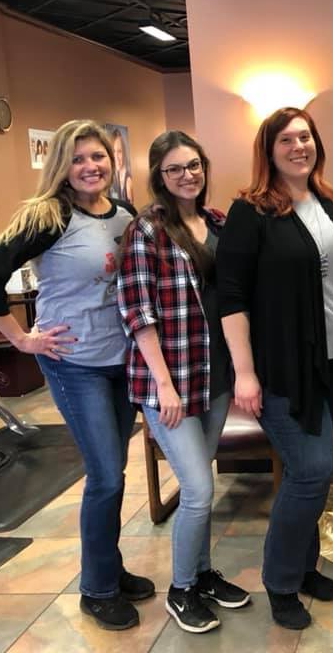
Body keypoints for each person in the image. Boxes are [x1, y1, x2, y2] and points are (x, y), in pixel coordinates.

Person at [0, 120, 154, 631]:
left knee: (113, 474)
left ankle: (108, 567)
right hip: (75, 364)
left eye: (98, 156)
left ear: (112, 160)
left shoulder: (124, 213)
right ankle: (96, 589)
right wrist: (22, 340)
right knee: (106, 475)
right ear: (61, 167)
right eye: (78, 158)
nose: (90, 166)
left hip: (121, 362)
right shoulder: (47, 215)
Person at [216, 107, 333, 630]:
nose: (299, 146)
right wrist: (244, 373)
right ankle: (280, 581)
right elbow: (231, 297)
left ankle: (304, 568)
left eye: (305, 137)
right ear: (269, 151)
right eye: (287, 140)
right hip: (281, 369)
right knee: (311, 470)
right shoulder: (250, 212)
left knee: (312, 474)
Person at [117, 131, 251, 634]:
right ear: (159, 176)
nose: (187, 175)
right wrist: (163, 386)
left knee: (204, 485)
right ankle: (181, 589)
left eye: (193, 165)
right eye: (174, 169)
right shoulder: (146, 231)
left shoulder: (217, 223)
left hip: (213, 377)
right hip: (169, 385)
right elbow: (138, 313)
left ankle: (203, 573)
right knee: (197, 489)